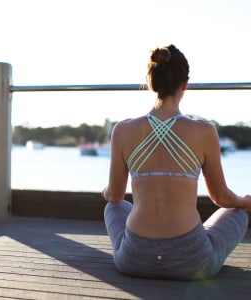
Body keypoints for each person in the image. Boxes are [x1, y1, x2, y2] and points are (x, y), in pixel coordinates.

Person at [102, 44, 251, 280]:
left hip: (134, 260)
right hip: (193, 262)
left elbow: (115, 197)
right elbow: (221, 198)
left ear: (151, 82)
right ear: (185, 83)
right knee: (238, 213)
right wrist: (244, 201)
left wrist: (106, 191)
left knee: (114, 207)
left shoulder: (123, 130)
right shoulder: (204, 131)